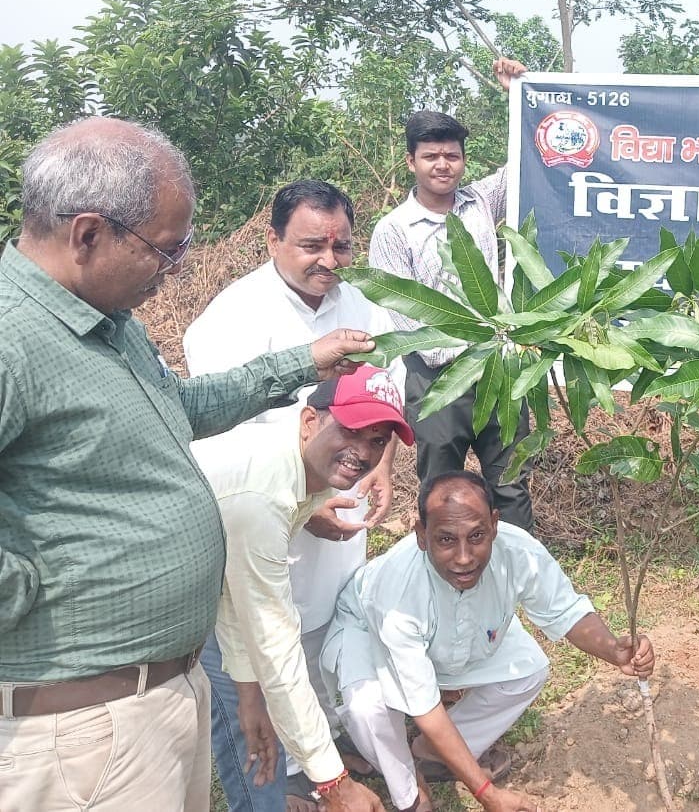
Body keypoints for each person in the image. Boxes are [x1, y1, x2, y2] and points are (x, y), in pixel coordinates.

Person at [0, 117, 375, 812]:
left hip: (154, 692)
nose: (176, 269)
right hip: (79, 719)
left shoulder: (106, 321)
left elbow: (180, 406)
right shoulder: (12, 335)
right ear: (87, 234)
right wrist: (34, 587)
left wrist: (301, 362)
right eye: (165, 250)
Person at [184, 180, 403, 809]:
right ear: (273, 238)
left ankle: (318, 755)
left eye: (341, 246)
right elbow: (226, 439)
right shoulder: (231, 319)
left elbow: (387, 398)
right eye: (311, 245)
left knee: (324, 629)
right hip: (270, 516)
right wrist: (306, 509)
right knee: (265, 641)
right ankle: (290, 775)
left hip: (333, 500)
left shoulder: (363, 307)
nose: (328, 262)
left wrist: (381, 466)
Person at [320, 471, 656, 812]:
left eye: (477, 536)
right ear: (422, 535)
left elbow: (565, 610)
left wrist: (614, 650)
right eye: (446, 540)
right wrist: (487, 794)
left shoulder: (518, 551)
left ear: (494, 525)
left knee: (529, 670)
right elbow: (425, 708)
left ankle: (433, 753)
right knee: (368, 709)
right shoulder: (399, 589)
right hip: (368, 629)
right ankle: (409, 789)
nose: (464, 557)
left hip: (449, 640)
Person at [194, 364, 416, 812]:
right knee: (249, 744)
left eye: (377, 440)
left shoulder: (302, 469)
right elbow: (274, 643)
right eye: (351, 430)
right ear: (310, 420)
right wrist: (335, 783)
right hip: (137, 614)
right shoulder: (261, 496)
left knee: (253, 714)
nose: (363, 452)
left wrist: (249, 691)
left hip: (209, 595)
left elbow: (233, 591)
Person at [368, 58, 535, 533]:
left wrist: (517, 97)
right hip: (436, 378)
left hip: (500, 373)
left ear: (463, 159)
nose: (443, 164)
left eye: (452, 155)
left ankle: (519, 578)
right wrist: (461, 351)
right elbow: (400, 311)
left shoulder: (481, 202)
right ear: (411, 162)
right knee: (441, 486)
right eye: (431, 156)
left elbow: (526, 162)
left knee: (511, 483)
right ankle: (443, 578)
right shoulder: (394, 230)